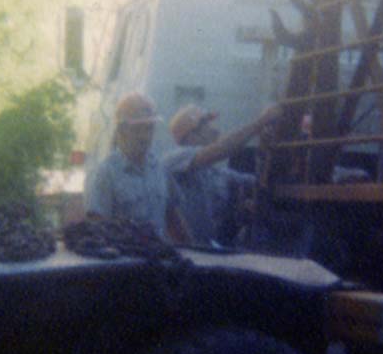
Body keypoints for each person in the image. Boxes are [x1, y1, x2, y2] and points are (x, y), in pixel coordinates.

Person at [163, 103, 281, 246]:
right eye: (208, 124)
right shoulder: (175, 159)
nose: (216, 130)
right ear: (193, 133)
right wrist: (260, 123)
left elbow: (256, 181)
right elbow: (221, 149)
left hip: (204, 248)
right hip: (180, 250)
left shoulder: (212, 172)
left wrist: (266, 147)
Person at [84, 91, 170, 237]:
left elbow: (172, 216)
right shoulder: (106, 173)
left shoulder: (159, 168)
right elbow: (97, 226)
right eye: (138, 129)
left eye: (149, 128)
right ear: (122, 131)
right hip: (125, 257)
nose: (145, 136)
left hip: (158, 256)